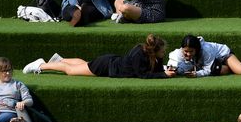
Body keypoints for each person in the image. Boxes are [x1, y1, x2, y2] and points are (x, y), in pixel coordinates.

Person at [22, 34, 176, 78]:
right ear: (153, 50)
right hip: (106, 66)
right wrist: (163, 75)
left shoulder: (151, 54)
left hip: (109, 61)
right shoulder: (139, 54)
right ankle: (41, 65)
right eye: (162, 51)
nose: (164, 54)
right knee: (71, 71)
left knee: (83, 64)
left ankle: (59, 60)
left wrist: (164, 68)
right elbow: (141, 74)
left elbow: (154, 67)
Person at [167, 35, 241, 77]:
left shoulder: (206, 51)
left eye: (191, 51)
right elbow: (172, 64)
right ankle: (234, 67)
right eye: (186, 52)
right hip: (212, 63)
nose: (188, 54)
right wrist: (172, 69)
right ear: (182, 49)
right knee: (218, 70)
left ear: (197, 49)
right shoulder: (178, 53)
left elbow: (208, 70)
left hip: (223, 55)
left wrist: (197, 74)